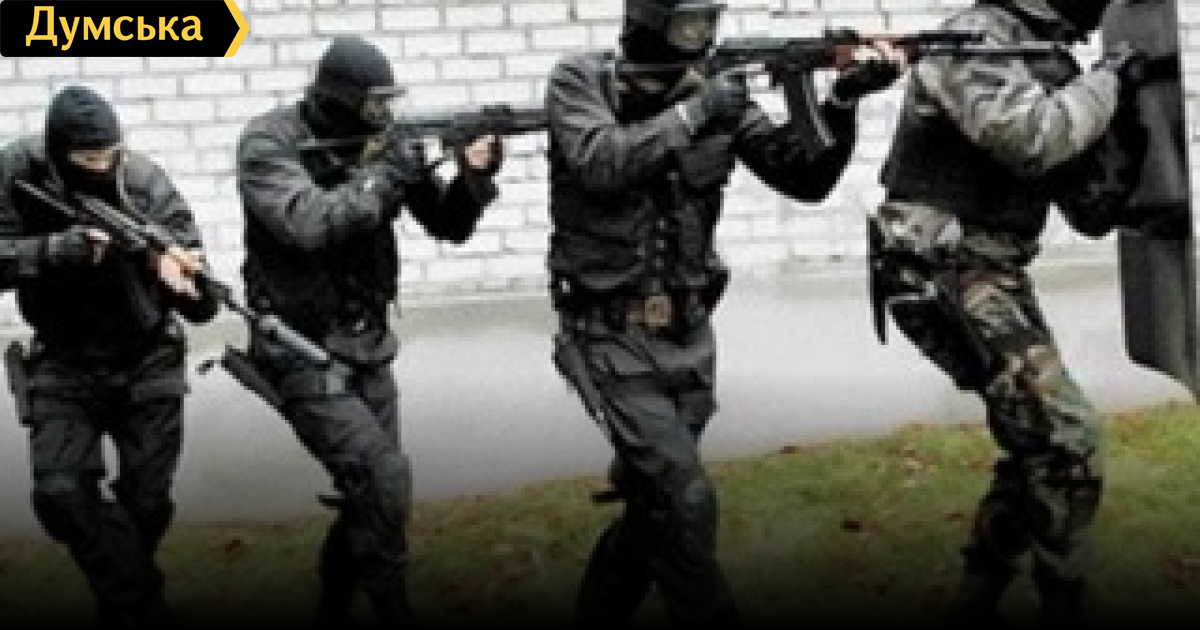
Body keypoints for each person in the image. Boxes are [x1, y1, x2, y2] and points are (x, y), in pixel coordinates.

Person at [544, 1, 904, 626]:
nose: (701, 36)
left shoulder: (714, 92)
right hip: (608, 334)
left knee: (655, 512)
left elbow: (805, 177)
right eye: (689, 22)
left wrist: (842, 101)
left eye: (708, 22)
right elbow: (602, 162)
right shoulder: (582, 80)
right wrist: (696, 111)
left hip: (687, 338)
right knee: (685, 502)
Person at [867, 0, 1148, 623]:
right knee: (1067, 440)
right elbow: (1032, 140)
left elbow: (1091, 210)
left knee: (1037, 444)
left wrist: (1129, 118)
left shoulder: (1050, 60)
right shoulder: (974, 39)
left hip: (988, 269)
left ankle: (977, 598)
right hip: (938, 262)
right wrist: (1106, 83)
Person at [234, 35, 503, 626]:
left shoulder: (382, 145)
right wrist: (383, 177)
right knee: (384, 479)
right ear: (339, 100)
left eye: (389, 105)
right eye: (374, 105)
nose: (383, 117)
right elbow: (306, 224)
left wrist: (472, 176)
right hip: (299, 345)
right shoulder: (269, 143)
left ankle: (333, 605)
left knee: (375, 494)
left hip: (366, 345)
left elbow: (449, 224)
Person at [0, 85, 220, 626]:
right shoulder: (17, 173)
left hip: (146, 356)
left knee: (146, 505)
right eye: (87, 160)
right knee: (60, 493)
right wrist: (53, 250)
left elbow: (202, 300)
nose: (102, 167)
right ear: (58, 153)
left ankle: (125, 604)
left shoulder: (144, 183)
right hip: (64, 357)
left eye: (110, 156)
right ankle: (143, 604)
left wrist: (178, 277)